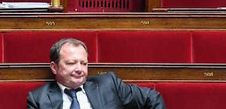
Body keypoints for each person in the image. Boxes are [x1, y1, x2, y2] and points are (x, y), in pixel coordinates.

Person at [26, 38, 165, 109]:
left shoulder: (108, 84)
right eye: (71, 63)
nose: (79, 69)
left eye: (84, 63)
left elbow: (152, 98)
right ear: (54, 67)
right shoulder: (39, 99)